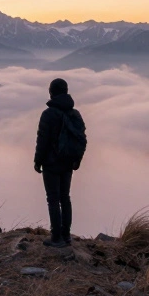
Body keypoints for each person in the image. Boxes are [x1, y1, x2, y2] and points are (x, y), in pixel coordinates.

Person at [34, 77, 85, 248]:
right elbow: (81, 139)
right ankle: (66, 235)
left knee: (53, 199)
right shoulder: (75, 114)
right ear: (66, 91)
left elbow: (42, 140)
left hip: (51, 163)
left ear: (52, 92)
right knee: (65, 198)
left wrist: (37, 161)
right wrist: (77, 160)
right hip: (68, 162)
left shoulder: (48, 114)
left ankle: (56, 237)